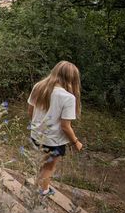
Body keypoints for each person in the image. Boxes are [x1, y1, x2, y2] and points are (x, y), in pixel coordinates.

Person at [27, 61, 83, 196]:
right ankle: (43, 191)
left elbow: (30, 111)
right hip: (53, 141)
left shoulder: (39, 87)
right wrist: (76, 142)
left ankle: (38, 185)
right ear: (72, 79)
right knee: (49, 166)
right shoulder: (68, 97)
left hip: (36, 136)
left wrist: (37, 126)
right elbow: (65, 126)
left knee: (42, 162)